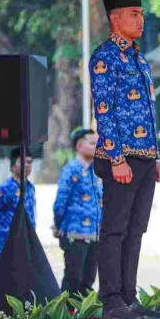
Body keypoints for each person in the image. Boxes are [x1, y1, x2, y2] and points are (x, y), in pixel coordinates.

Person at [90, 0, 160, 319]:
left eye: (141, 12)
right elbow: (104, 112)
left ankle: (128, 298)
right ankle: (111, 301)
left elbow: (148, 110)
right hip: (120, 157)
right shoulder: (105, 56)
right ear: (114, 18)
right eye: (133, 13)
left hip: (145, 158)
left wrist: (155, 156)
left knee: (136, 230)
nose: (140, 18)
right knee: (115, 230)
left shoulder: (139, 57)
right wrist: (117, 158)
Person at [53, 128, 102, 299]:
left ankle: (83, 318)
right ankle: (65, 315)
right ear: (79, 145)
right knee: (73, 279)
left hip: (94, 234)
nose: (97, 146)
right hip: (75, 233)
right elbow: (60, 202)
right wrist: (59, 226)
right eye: (92, 143)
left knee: (88, 280)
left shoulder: (96, 171)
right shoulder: (71, 169)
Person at [0, 147, 36, 260]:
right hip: (8, 246)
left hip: (27, 244)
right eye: (22, 162)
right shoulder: (6, 188)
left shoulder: (30, 188)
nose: (27, 165)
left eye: (29, 162)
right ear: (12, 166)